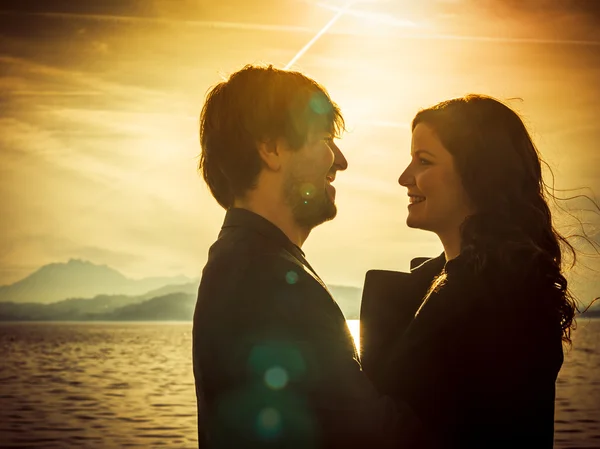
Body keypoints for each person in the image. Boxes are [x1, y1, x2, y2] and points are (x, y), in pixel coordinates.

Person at [193, 65, 416, 449]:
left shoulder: (240, 261)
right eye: (326, 138)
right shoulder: (270, 279)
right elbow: (374, 436)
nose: (340, 160)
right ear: (272, 148)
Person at [361, 94, 576, 448]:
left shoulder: (501, 304)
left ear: (478, 176)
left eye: (423, 161)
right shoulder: (462, 287)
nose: (404, 177)